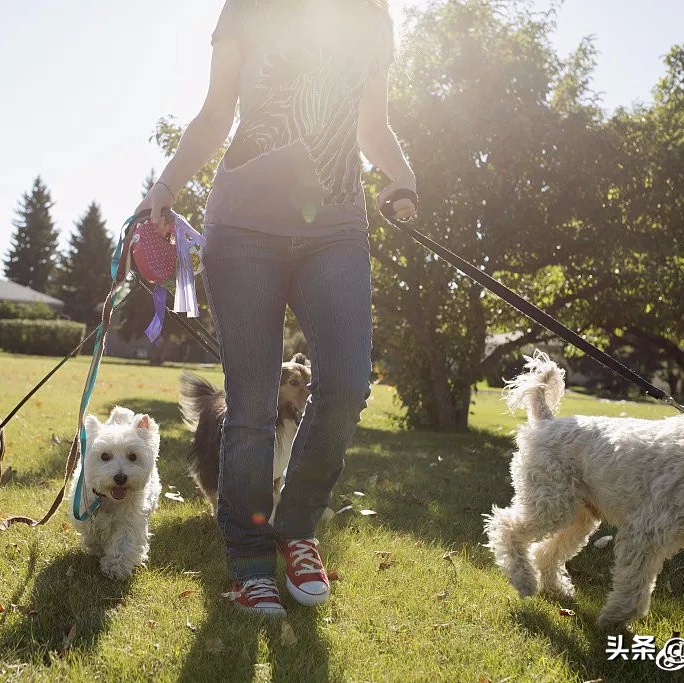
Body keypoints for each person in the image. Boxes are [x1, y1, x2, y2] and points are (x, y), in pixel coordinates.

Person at [137, 0, 417, 616]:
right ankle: (247, 558)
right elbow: (217, 112)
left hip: (337, 229)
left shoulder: (372, 18)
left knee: (345, 384)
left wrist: (401, 176)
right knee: (253, 404)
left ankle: (296, 529)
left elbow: (373, 126)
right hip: (242, 228)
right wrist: (167, 184)